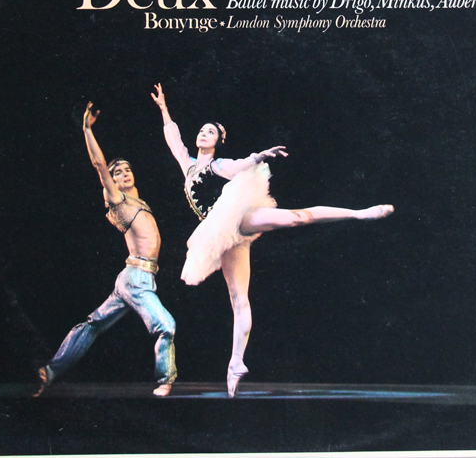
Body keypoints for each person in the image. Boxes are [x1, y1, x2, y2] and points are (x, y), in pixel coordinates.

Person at [151, 83, 393, 397]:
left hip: (236, 218)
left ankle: (359, 214)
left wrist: (259, 156)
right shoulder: (188, 167)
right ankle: (235, 363)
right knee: (239, 299)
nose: (203, 133)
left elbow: (240, 165)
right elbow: (174, 140)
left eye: (210, 132)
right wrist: (163, 109)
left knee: (297, 218)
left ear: (219, 141)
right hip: (221, 236)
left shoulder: (218, 165)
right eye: (201, 130)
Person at [34, 102, 177, 398]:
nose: (124, 174)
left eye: (127, 169)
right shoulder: (117, 201)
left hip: (136, 278)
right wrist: (87, 129)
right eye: (118, 173)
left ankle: (50, 370)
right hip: (136, 279)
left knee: (93, 324)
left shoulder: (138, 201)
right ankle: (165, 380)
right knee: (166, 326)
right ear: (111, 182)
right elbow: (100, 165)